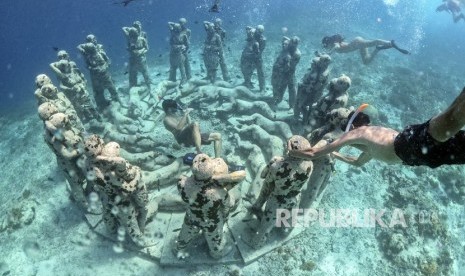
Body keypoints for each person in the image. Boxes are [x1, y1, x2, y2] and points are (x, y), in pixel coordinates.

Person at [289, 86, 465, 169]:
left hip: (412, 146)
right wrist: (334, 153)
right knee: (454, 114)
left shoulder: (360, 133)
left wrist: (290, 150)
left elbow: (312, 153)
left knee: (452, 116)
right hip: (418, 152)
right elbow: (357, 163)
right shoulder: (368, 147)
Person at [174, 153, 246, 259]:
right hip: (212, 221)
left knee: (185, 233)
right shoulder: (218, 191)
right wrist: (220, 179)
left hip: (192, 216)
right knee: (215, 240)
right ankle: (216, 253)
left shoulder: (182, 183)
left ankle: (179, 248)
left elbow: (190, 185)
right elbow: (229, 204)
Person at [248, 135, 313, 248]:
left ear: (289, 150)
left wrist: (272, 163)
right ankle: (285, 231)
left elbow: (264, 175)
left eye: (286, 144)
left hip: (277, 199)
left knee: (266, 224)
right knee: (291, 218)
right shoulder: (309, 165)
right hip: (295, 197)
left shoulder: (278, 165)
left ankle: (256, 244)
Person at [49, 50, 100, 122]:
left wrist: (84, 80)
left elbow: (79, 72)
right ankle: (87, 123)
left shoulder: (72, 64)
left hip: (82, 89)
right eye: (60, 57)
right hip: (73, 94)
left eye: (64, 56)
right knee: (79, 109)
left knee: (90, 104)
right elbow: (61, 85)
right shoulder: (60, 72)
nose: (63, 58)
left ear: (68, 55)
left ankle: (97, 118)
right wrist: (71, 89)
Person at [77, 35, 120, 111]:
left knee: (111, 86)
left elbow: (108, 61)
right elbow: (79, 47)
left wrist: (105, 67)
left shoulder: (100, 49)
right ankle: (101, 105)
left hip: (104, 73)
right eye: (92, 40)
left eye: (94, 39)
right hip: (94, 75)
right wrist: (92, 68)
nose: (94, 40)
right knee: (97, 91)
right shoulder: (86, 53)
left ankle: (117, 100)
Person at [322, 34, 410, 65]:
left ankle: (390, 42)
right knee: (366, 61)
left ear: (328, 43)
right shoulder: (334, 44)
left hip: (357, 43)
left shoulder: (334, 44)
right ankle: (378, 49)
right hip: (358, 45)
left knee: (373, 42)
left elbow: (336, 47)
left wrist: (328, 54)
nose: (327, 47)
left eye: (326, 46)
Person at [271, 36, 301, 108]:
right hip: (283, 71)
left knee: (292, 88)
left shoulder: (297, 54)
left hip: (290, 72)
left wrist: (280, 69)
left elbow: (290, 66)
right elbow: (284, 38)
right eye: (291, 43)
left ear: (296, 45)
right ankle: (278, 100)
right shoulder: (289, 44)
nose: (292, 45)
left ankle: (292, 106)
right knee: (281, 86)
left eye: (294, 44)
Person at [122, 21, 151, 91]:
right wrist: (132, 29)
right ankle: (133, 88)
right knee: (132, 74)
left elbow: (147, 47)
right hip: (133, 59)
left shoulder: (143, 35)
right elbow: (123, 28)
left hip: (141, 58)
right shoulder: (130, 35)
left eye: (138, 25)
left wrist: (141, 51)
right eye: (135, 26)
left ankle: (149, 87)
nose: (137, 27)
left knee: (145, 72)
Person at [240, 25, 266, 92]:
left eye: (260, 32)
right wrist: (249, 29)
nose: (258, 33)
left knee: (261, 72)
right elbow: (247, 28)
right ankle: (247, 82)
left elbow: (260, 51)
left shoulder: (263, 39)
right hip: (251, 55)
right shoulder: (253, 32)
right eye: (257, 31)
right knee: (247, 69)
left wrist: (254, 56)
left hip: (257, 57)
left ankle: (262, 88)